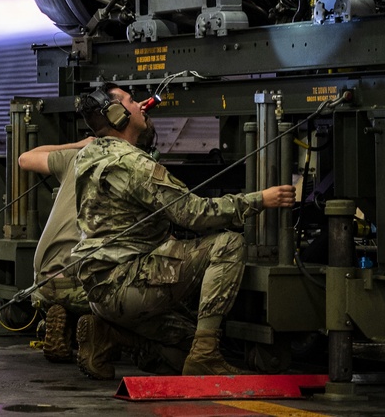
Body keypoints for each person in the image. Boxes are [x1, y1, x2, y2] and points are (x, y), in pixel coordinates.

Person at [71, 82, 296, 377]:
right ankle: (206, 355)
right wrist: (260, 200)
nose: (141, 105)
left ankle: (111, 337)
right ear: (116, 115)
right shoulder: (135, 165)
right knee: (228, 244)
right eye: (131, 100)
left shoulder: (87, 156)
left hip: (100, 292)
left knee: (183, 347)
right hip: (128, 286)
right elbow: (195, 213)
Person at [18, 137, 94, 364]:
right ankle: (97, 334)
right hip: (79, 284)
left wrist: (79, 144)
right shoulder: (131, 163)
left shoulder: (75, 157)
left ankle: (58, 315)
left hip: (41, 283)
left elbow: (24, 158)